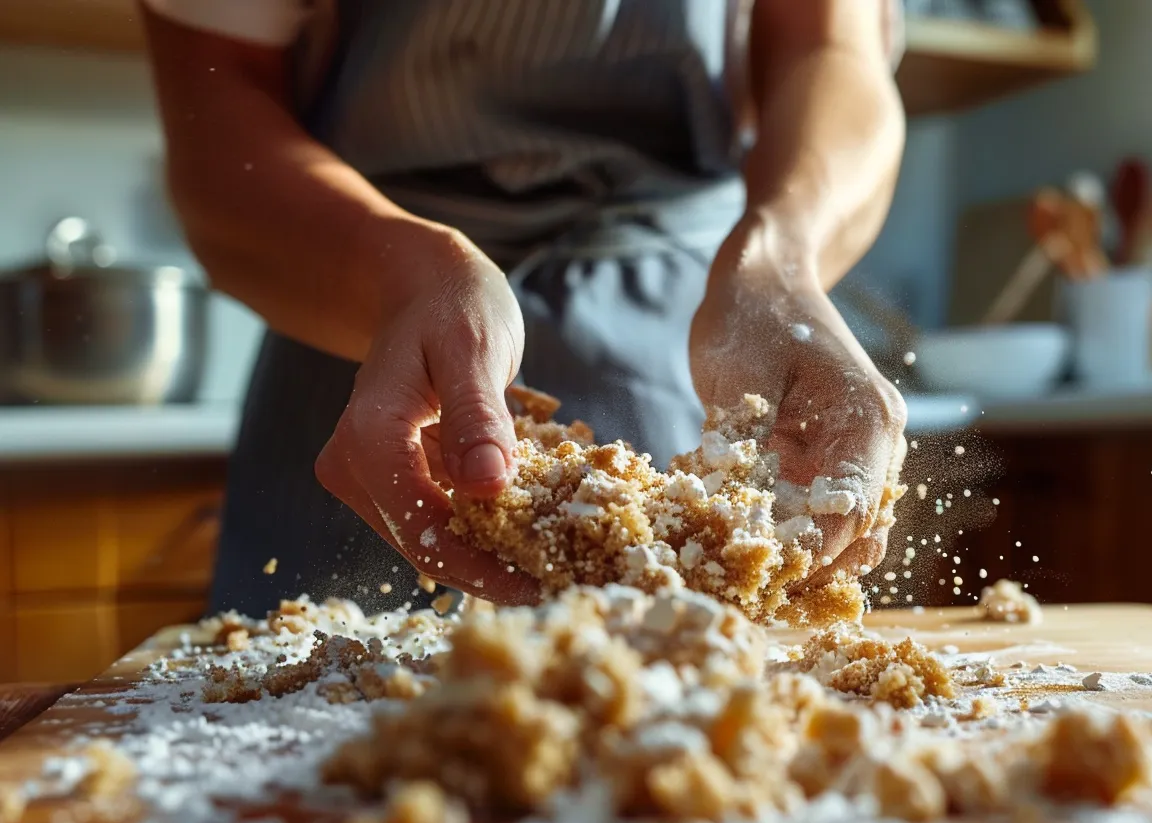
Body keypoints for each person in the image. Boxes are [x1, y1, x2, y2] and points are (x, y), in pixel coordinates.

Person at [140, 0, 909, 617]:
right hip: (360, 323)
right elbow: (216, 116)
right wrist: (405, 276)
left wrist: (779, 269)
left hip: (671, 328)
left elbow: (831, 49)